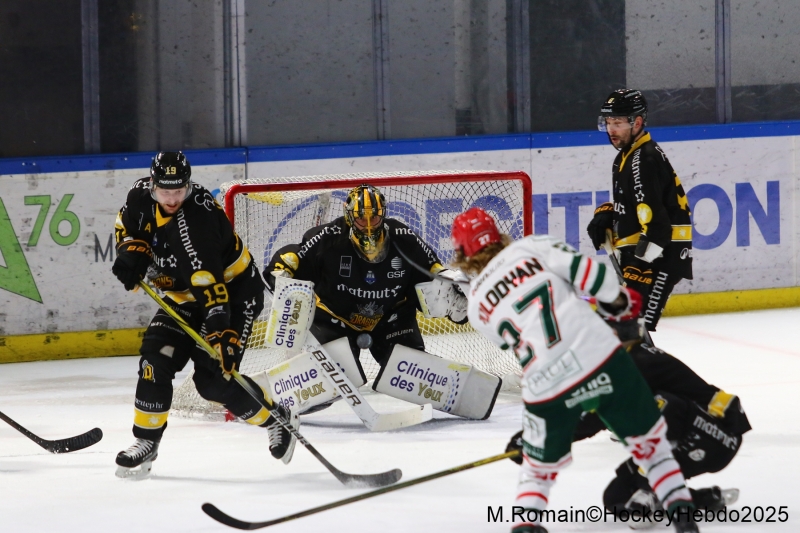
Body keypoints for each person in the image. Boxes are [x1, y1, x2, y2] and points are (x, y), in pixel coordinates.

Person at [451, 206, 699, 533]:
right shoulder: (532, 246)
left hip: (545, 382)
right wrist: (620, 301)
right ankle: (683, 518)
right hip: (598, 356)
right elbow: (591, 276)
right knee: (652, 449)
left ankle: (526, 525)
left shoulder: (476, 307)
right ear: (498, 236)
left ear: (462, 253)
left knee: (537, 472)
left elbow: (512, 337)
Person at [111, 151, 296, 478]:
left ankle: (276, 417)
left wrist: (222, 332)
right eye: (165, 191)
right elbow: (125, 224)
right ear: (152, 185)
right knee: (154, 361)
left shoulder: (198, 222)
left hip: (233, 295)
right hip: (182, 297)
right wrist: (131, 248)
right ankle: (146, 442)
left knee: (213, 382)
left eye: (179, 191)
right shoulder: (139, 196)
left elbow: (208, 283)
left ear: (189, 185)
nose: (172, 199)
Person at [262, 184, 501, 420]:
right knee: (333, 380)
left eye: (374, 218)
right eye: (360, 218)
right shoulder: (329, 237)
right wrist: (280, 274)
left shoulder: (403, 238)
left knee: (409, 368)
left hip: (391, 320)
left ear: (383, 214)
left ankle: (451, 388)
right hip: (335, 322)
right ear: (348, 216)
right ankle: (280, 393)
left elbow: (432, 269)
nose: (367, 225)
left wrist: (451, 295)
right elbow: (292, 256)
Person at [587, 89, 693, 332]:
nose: (611, 130)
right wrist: (611, 214)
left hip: (660, 257)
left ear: (636, 122)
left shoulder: (643, 159)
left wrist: (641, 264)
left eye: (617, 123)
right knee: (623, 330)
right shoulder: (628, 155)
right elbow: (641, 207)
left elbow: (657, 225)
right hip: (645, 253)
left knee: (631, 330)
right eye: (608, 123)